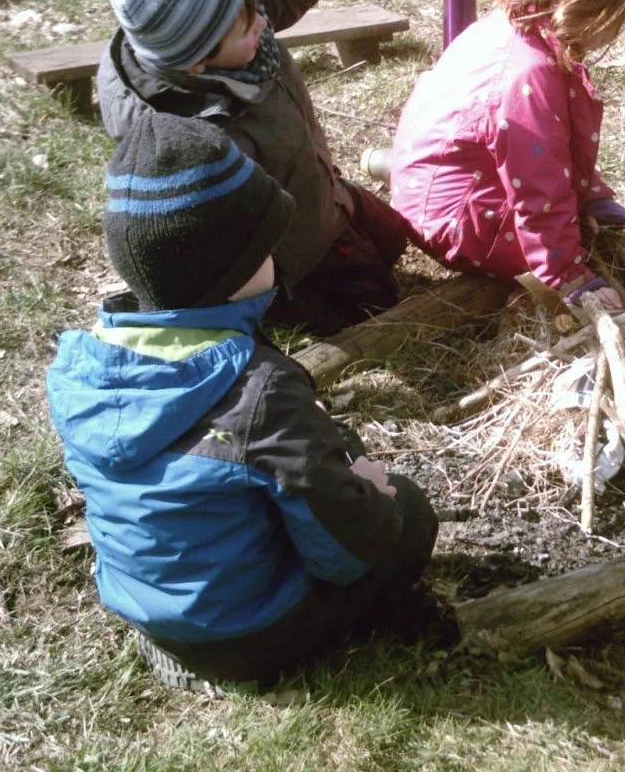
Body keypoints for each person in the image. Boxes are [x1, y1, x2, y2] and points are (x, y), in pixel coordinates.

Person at [46, 112, 443, 691]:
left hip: (141, 604)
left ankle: (175, 645)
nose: (277, 262)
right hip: (248, 634)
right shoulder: (261, 393)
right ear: (230, 272)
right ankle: (329, 639)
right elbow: (345, 552)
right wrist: (376, 497)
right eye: (266, 249)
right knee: (408, 512)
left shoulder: (81, 368)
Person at [98, 0, 430, 334]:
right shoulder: (184, 142)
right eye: (246, 25)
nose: (262, 21)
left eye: (254, 5)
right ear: (196, 63)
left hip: (321, 190)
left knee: (393, 235)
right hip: (297, 252)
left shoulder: (225, 19)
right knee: (370, 303)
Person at [388, 0, 625, 308]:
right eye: (612, 20)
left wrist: (590, 194)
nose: (614, 33)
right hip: (454, 224)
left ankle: (581, 212)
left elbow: (556, 140)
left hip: (433, 198)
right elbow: (538, 187)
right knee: (575, 231)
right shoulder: (528, 73)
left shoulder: (515, 25)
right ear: (580, 3)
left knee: (581, 217)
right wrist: (569, 275)